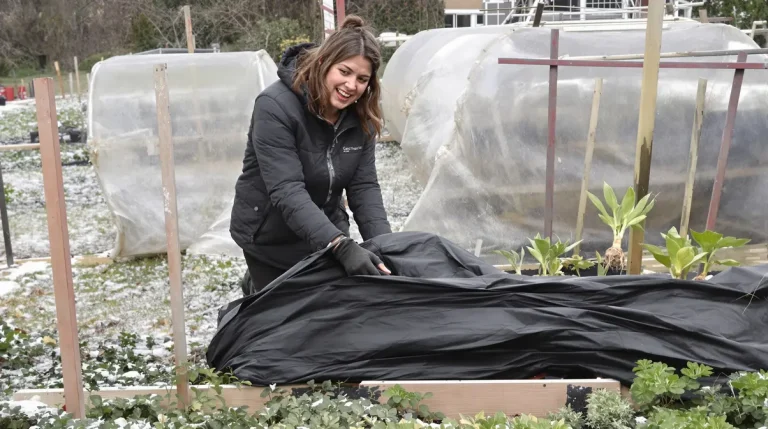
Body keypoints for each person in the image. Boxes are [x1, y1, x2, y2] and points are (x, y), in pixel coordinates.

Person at [230, 15, 393, 295]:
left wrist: (388, 247)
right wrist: (340, 246)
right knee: (283, 319)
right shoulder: (275, 106)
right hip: (271, 236)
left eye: (362, 79)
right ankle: (254, 286)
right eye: (344, 71)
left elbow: (363, 187)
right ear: (323, 63)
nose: (351, 85)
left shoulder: (360, 117)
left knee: (331, 315)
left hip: (326, 225)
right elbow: (286, 190)